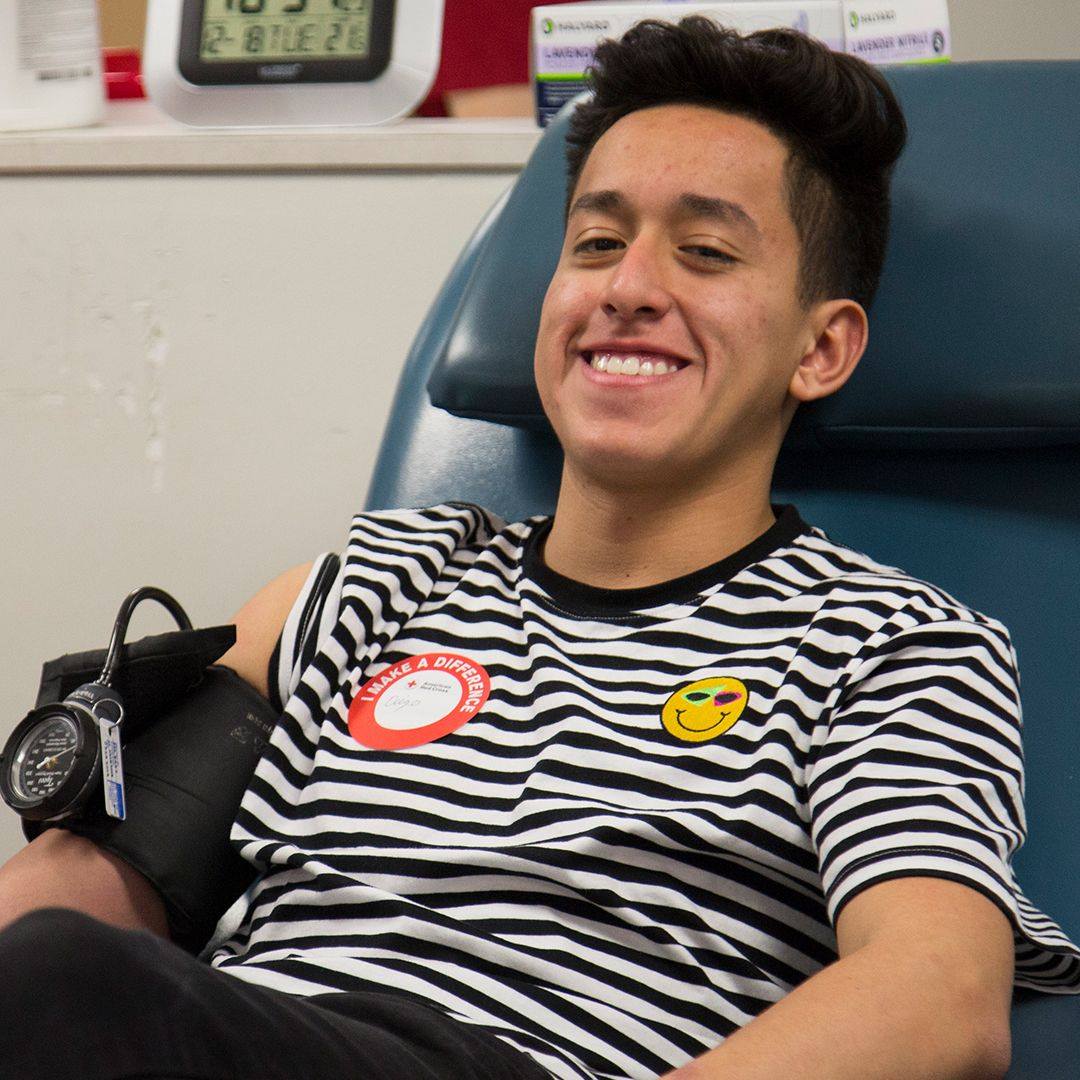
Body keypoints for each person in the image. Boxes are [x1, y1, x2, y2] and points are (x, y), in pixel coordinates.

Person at [0, 16, 1077, 1080]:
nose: (628, 287)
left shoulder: (890, 648)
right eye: (597, 244)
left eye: (705, 253)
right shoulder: (356, 592)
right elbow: (88, 883)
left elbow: (939, 993)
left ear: (822, 346)